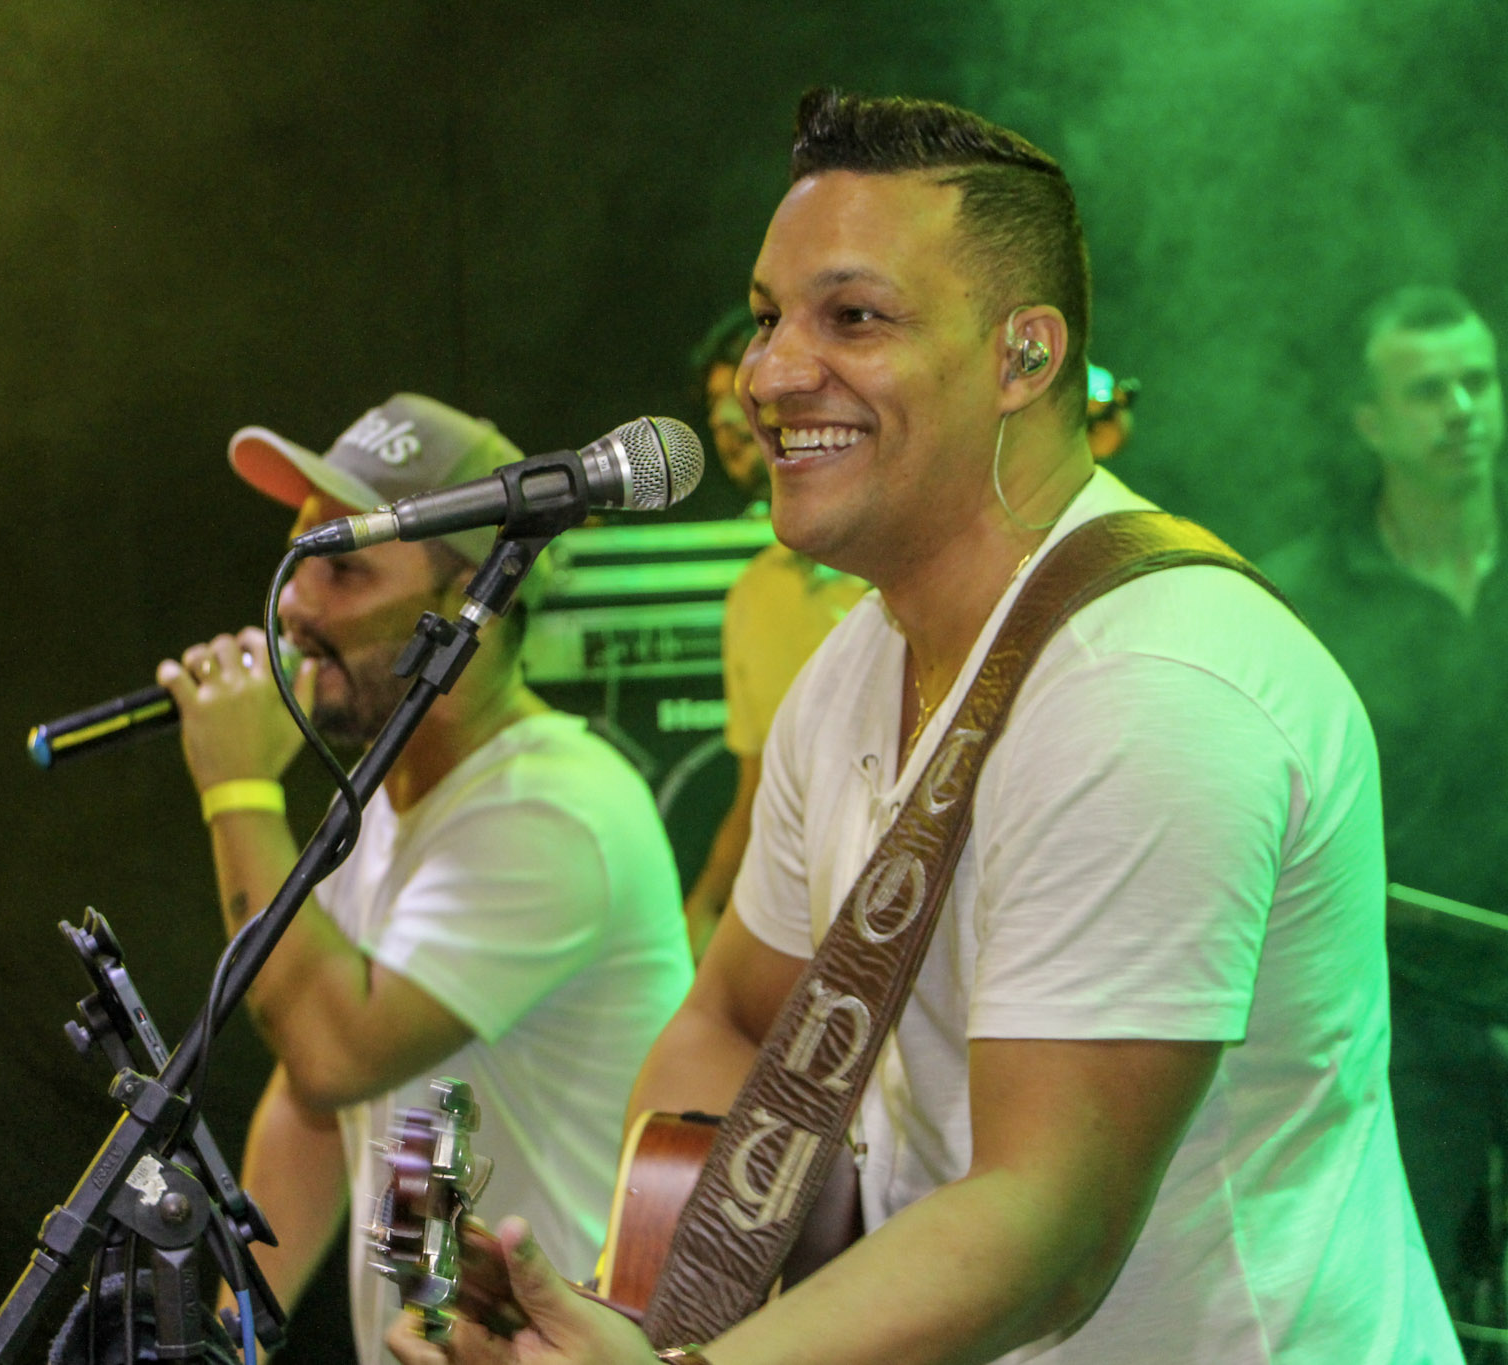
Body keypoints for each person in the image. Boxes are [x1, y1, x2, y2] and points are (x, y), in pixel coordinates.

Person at [391, 92, 1456, 1365]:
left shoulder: (1148, 688)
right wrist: (641, 1314)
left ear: (1024, 357)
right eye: (767, 318)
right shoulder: (850, 668)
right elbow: (732, 1020)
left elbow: (1045, 1233)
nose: (770, 374)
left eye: (852, 317)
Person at [157, 392, 695, 1365]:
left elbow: (336, 1052)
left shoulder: (551, 809)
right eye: (300, 555)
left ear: (472, 602)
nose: (293, 605)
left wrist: (238, 789)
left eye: (344, 567)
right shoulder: (383, 796)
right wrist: (234, 1333)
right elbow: (319, 1101)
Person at [1262, 286, 1508, 1342]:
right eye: (1427, 391)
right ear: (1369, 421)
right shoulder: (1299, 595)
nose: (1461, 409)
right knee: (1409, 1307)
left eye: (1477, 381)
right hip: (1392, 1014)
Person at [683, 310, 869, 959]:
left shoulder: (894, 565)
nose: (723, 420)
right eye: (713, 404)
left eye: (738, 392)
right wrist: (703, 909)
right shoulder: (755, 593)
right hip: (805, 925)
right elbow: (756, 792)